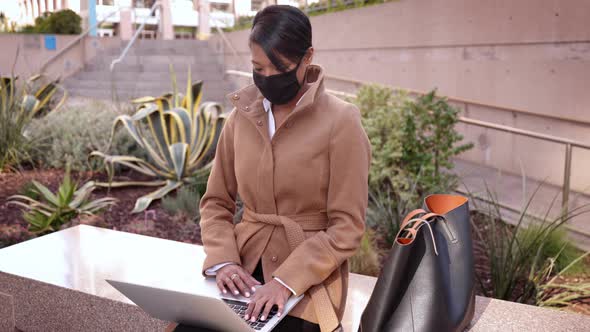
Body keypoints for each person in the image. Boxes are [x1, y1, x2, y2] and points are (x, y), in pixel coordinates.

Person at [175, 5, 371, 332]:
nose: (266, 78)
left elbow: (347, 226)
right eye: (257, 67)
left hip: (309, 278)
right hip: (243, 267)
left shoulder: (341, 121)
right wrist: (224, 262)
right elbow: (216, 202)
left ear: (307, 57)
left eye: (277, 67)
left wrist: (285, 282)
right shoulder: (241, 117)